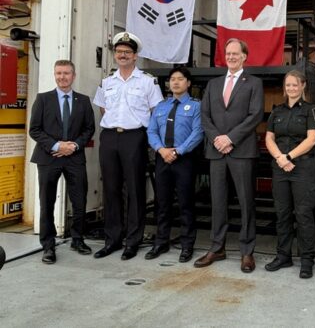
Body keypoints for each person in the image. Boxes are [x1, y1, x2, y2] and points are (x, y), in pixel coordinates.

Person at [194, 38, 264, 273]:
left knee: (246, 202)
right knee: (217, 202)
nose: (232, 57)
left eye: (236, 53)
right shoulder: (213, 84)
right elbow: (205, 116)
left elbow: (255, 115)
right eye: (228, 53)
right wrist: (218, 139)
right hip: (217, 151)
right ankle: (217, 247)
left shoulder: (254, 83)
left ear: (244, 56)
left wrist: (230, 138)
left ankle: (247, 252)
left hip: (241, 151)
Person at [93, 32, 164, 260]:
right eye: (119, 52)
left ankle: (133, 241)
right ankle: (112, 240)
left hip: (135, 137)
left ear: (135, 56)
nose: (122, 55)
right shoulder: (107, 81)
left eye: (127, 52)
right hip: (109, 137)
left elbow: (156, 110)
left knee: (135, 189)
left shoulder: (147, 81)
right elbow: (103, 108)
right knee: (111, 189)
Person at [29, 60, 95, 264]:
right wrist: (57, 146)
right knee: (47, 202)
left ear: (73, 76)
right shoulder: (43, 99)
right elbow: (34, 129)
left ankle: (78, 239)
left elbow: (89, 129)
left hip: (75, 157)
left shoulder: (83, 100)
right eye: (58, 73)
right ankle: (48, 246)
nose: (62, 77)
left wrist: (74, 146)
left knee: (79, 201)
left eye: (66, 73)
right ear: (54, 75)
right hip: (48, 157)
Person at [264, 70, 315, 279]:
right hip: (280, 168)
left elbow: (312, 140)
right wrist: (280, 158)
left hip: (303, 168)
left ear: (303, 85)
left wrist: (288, 157)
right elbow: (269, 138)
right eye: (288, 85)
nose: (291, 88)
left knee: (304, 214)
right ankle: (283, 255)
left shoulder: (310, 110)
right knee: (282, 213)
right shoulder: (277, 111)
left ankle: (307, 259)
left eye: (295, 84)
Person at [146, 67, 203, 263]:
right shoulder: (161, 106)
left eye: (180, 79)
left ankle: (187, 245)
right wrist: (161, 150)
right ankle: (161, 242)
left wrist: (178, 151)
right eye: (172, 79)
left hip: (184, 159)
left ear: (188, 83)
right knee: (162, 203)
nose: (176, 82)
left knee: (186, 203)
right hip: (163, 158)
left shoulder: (196, 106)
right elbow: (151, 131)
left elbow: (198, 133)